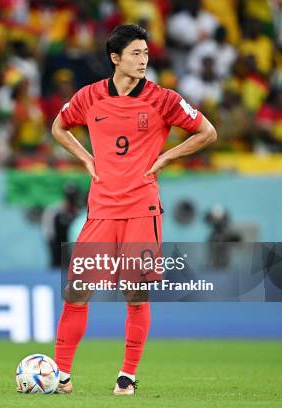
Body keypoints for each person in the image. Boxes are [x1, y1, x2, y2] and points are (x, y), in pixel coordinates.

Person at [51, 24, 217, 396]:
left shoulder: (163, 100)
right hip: (101, 211)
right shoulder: (90, 96)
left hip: (142, 209)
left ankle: (126, 376)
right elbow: (59, 127)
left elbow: (207, 132)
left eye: (145, 53)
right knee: (77, 291)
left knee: (135, 293)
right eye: (136, 54)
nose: (143, 61)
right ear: (115, 58)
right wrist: (86, 158)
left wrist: (167, 156)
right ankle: (60, 375)